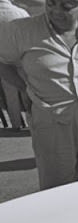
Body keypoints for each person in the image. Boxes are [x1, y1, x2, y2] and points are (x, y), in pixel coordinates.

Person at [0, 0, 78, 190]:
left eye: (66, 6)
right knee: (56, 185)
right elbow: (3, 62)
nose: (56, 11)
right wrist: (24, 88)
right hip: (51, 117)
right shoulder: (22, 30)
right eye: (51, 4)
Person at [0, 0, 29, 131]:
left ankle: (16, 124)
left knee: (10, 93)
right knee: (26, 89)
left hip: (3, 58)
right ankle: (32, 122)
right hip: (22, 57)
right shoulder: (20, 12)